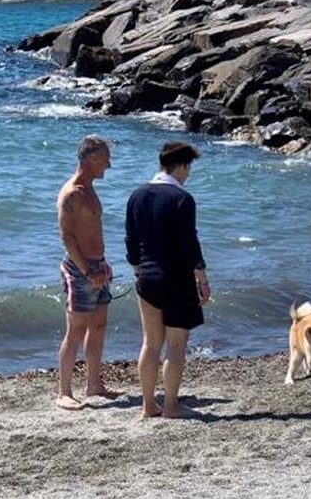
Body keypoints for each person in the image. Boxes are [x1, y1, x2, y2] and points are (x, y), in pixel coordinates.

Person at [125, 141, 211, 419]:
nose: (189, 174)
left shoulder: (136, 195)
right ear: (181, 166)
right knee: (176, 344)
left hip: (147, 277)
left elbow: (131, 241)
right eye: (189, 168)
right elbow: (190, 243)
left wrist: (138, 270)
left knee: (150, 344)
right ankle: (171, 406)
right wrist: (201, 276)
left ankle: (149, 405)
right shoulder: (182, 199)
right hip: (176, 278)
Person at [56, 134, 123, 410]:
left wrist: (102, 263)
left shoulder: (89, 188)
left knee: (98, 326)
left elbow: (92, 232)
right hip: (79, 270)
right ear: (92, 158)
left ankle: (94, 384)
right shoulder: (72, 193)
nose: (109, 165)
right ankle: (63, 392)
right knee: (76, 330)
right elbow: (67, 238)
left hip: (97, 266)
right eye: (106, 159)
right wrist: (85, 271)